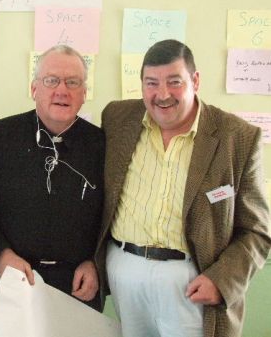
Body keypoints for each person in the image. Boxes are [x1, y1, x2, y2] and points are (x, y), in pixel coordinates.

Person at [96, 39, 271, 337]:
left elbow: (257, 231)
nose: (162, 94)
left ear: (196, 80)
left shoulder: (237, 138)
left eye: (174, 82)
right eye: (151, 83)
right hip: (124, 271)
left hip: (192, 280)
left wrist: (222, 280)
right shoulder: (117, 118)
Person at [0, 45, 105, 311]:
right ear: (34, 88)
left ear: (84, 93)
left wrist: (97, 264)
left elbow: (115, 218)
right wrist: (1, 253)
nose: (62, 90)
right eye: (51, 80)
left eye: (72, 82)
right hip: (8, 280)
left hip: (78, 288)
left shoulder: (102, 145)